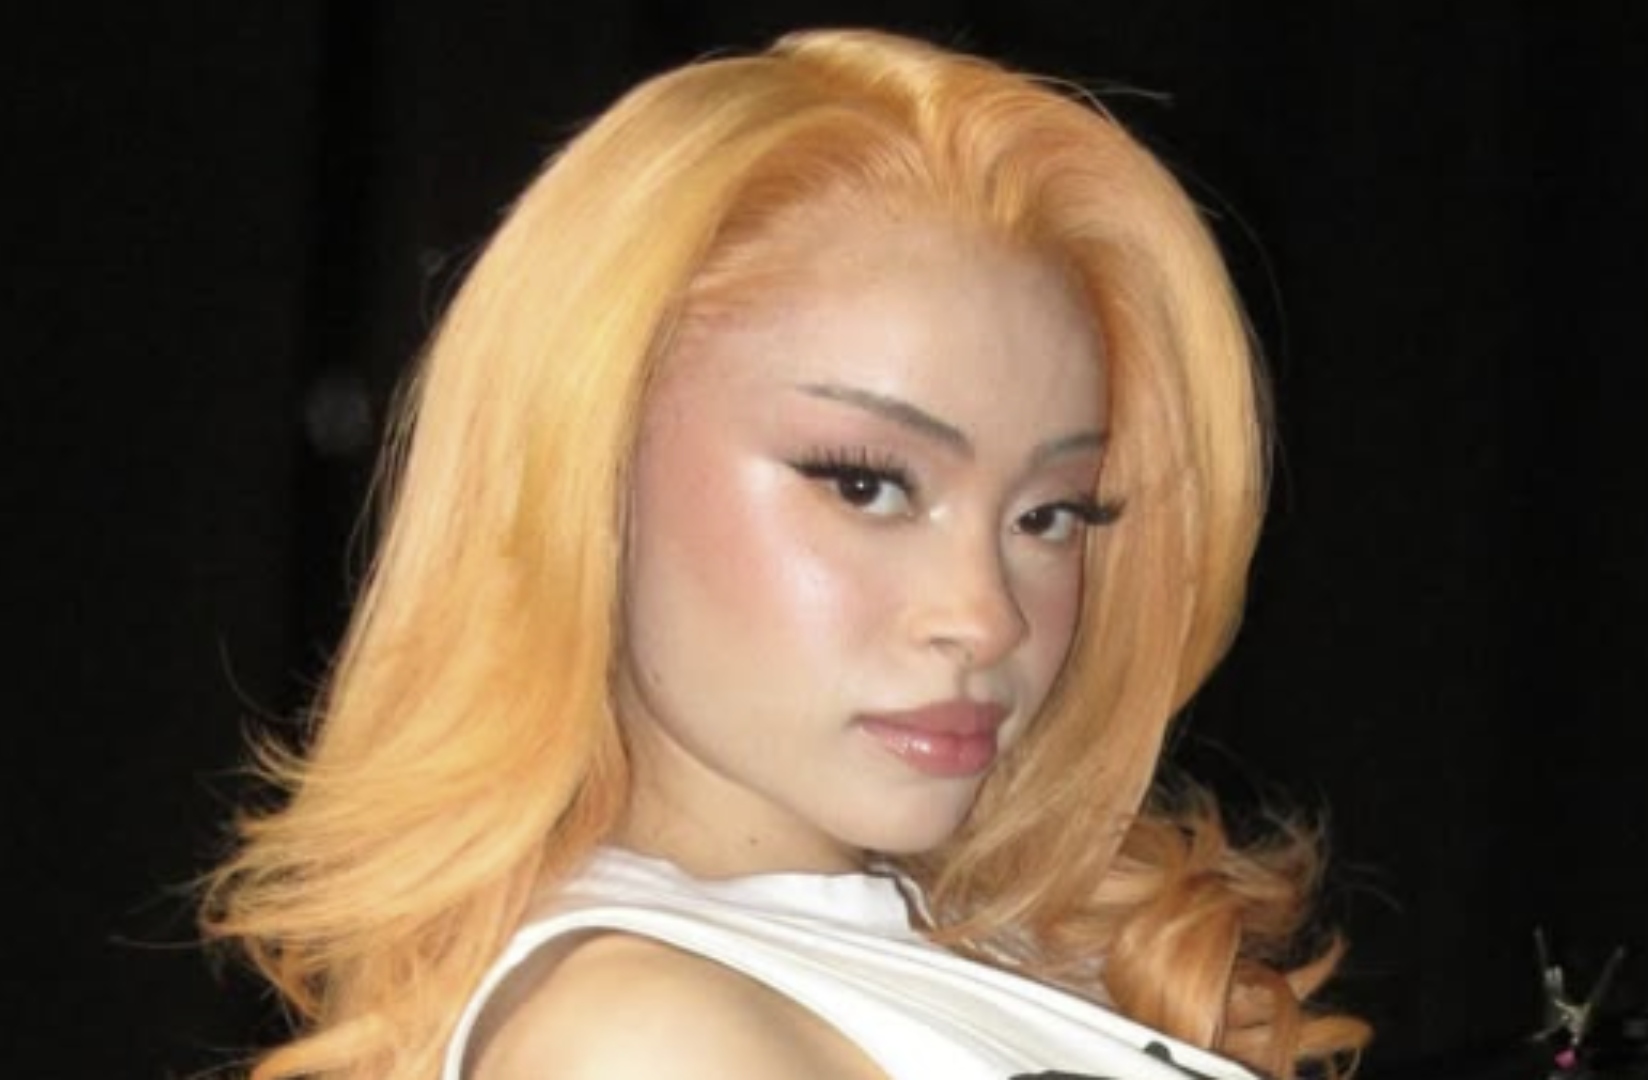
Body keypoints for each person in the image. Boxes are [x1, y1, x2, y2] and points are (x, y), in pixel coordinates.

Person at [202, 27, 1370, 1080]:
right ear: (584, 464)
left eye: (1051, 513)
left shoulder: (964, 949)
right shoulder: (650, 1041)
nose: (985, 617)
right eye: (865, 483)